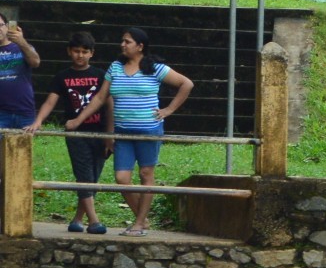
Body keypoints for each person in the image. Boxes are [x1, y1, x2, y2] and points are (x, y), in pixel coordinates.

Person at [70, 27, 192, 237]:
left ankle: (138, 224)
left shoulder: (154, 68)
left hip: (149, 130)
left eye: (127, 42)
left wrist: (168, 110)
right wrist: (79, 119)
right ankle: (142, 219)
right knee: (121, 178)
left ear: (140, 46)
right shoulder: (116, 68)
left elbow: (186, 84)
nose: (123, 45)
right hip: (123, 131)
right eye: (122, 41)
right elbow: (100, 98)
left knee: (146, 174)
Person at [29, 30, 110, 234]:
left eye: (84, 51)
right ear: (69, 51)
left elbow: (109, 106)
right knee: (83, 175)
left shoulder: (101, 76)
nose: (80, 55)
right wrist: (38, 121)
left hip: (100, 133)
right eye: (76, 51)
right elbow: (50, 101)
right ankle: (94, 221)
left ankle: (77, 219)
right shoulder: (62, 77)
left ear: (92, 53)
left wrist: (111, 134)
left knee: (93, 178)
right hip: (75, 134)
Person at [0, 18, 41, 131]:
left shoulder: (23, 47)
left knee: (22, 148)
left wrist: (21, 42)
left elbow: (35, 62)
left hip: (24, 111)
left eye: (0, 25)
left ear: (7, 27)